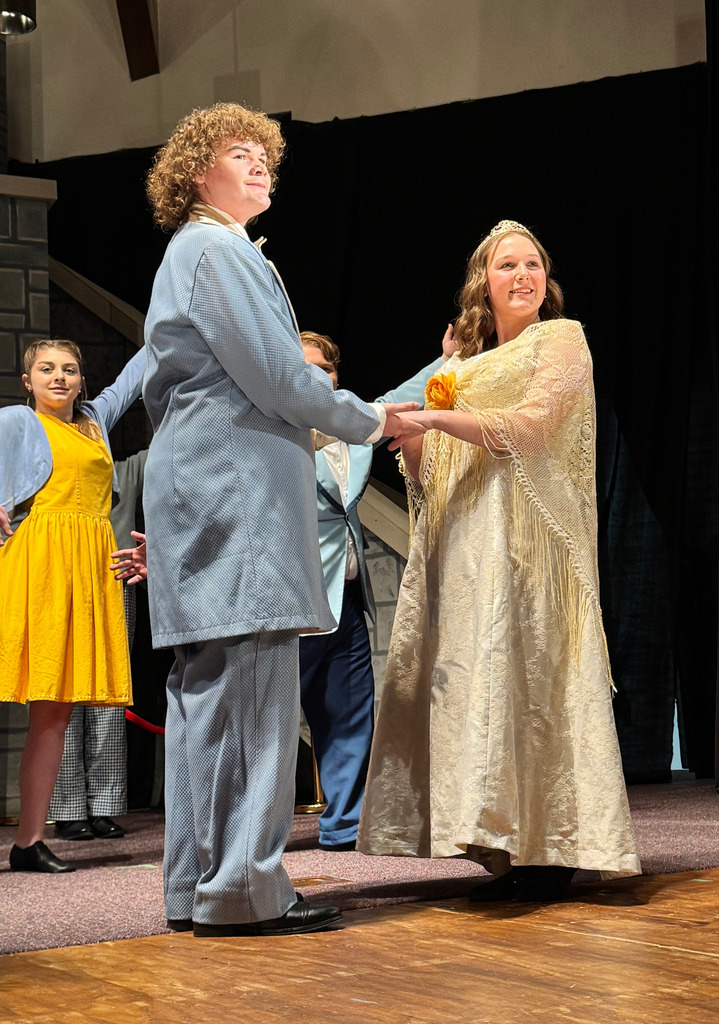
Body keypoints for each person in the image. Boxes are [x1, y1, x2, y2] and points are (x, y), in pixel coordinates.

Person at [139, 102, 418, 937]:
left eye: (267, 155)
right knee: (251, 695)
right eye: (239, 153)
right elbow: (278, 377)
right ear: (196, 171)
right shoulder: (215, 249)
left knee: (208, 696)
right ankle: (244, 891)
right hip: (237, 490)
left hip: (210, 485)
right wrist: (372, 419)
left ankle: (200, 887)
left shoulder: (201, 250)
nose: (261, 165)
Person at [357, 221, 640, 901]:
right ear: (483, 282)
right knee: (484, 686)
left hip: (530, 548)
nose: (522, 275)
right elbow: (426, 475)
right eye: (506, 265)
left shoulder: (560, 340)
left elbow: (531, 427)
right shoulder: (459, 369)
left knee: (533, 679)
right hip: (472, 555)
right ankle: (497, 837)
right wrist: (429, 411)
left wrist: (429, 417)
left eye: (533, 263)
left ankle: (552, 841)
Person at [299, 330, 450, 851]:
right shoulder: (275, 434)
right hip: (293, 603)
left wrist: (448, 358)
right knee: (272, 726)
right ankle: (256, 836)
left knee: (348, 713)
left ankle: (343, 822)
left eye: (325, 369)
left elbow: (403, 395)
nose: (317, 377)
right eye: (305, 370)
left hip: (346, 601)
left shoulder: (354, 432)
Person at [0, 339, 145, 873]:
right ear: (28, 381)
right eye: (46, 369)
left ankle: (29, 842)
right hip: (37, 558)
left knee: (55, 712)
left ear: (82, 382)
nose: (58, 377)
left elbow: (136, 373)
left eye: (69, 370)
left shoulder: (94, 422)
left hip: (87, 562)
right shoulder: (17, 420)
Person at [49, 450, 148, 842]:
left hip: (113, 585)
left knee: (109, 699)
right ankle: (68, 810)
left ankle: (104, 807)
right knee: (63, 698)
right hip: (63, 580)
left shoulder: (125, 469)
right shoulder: (52, 471)